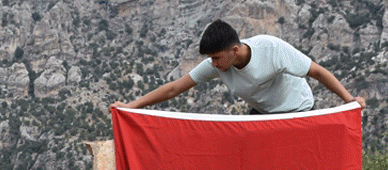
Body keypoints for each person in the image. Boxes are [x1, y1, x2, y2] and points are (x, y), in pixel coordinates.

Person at [111, 19, 365, 114]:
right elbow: (174, 88)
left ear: (234, 50)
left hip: (296, 110)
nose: (213, 64)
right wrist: (131, 107)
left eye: (216, 58)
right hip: (262, 114)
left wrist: (348, 99)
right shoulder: (218, 64)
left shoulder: (272, 49)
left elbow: (317, 71)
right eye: (210, 59)